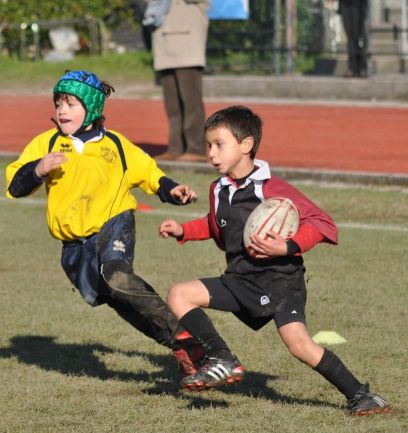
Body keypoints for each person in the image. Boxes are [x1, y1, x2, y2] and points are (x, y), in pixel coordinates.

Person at [158, 105, 390, 416]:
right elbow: (215, 226)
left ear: (246, 145)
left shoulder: (272, 189)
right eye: (208, 145)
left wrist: (287, 246)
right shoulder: (219, 189)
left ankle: (362, 395)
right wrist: (183, 230)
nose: (211, 153)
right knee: (179, 293)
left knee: (300, 346)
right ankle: (221, 359)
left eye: (219, 144)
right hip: (240, 280)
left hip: (280, 282)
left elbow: (323, 223)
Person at [5, 70, 205, 381]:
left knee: (118, 277)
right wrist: (38, 169)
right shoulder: (46, 143)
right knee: (119, 300)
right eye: (58, 103)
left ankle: (187, 338)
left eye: (71, 103)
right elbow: (15, 186)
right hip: (74, 245)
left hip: (114, 224)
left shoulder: (116, 145)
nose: (62, 110)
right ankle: (183, 347)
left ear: (93, 107)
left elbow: (149, 174)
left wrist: (173, 190)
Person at [144, 0, 210, 162]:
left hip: (188, 48)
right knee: (172, 105)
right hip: (164, 47)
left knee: (191, 103)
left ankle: (196, 148)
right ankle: (175, 147)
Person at [338, 0, 369, 78]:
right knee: (350, 37)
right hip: (345, 5)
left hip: (358, 5)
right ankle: (352, 67)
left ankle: (362, 67)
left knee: (360, 36)